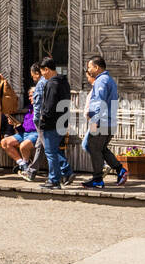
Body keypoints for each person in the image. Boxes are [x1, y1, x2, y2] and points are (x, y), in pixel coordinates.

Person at [83, 55, 125, 189]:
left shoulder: (101, 81)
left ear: (96, 67)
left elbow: (98, 102)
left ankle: (97, 179)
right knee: (101, 148)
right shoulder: (110, 80)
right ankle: (120, 170)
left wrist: (94, 119)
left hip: (102, 121)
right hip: (110, 121)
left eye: (90, 67)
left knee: (93, 147)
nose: (88, 70)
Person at [37, 58, 74, 190]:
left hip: (51, 123)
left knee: (50, 152)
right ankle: (67, 172)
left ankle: (54, 180)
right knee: (55, 149)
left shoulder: (52, 83)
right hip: (62, 121)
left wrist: (44, 119)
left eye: (42, 72)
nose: (43, 75)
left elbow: (50, 105)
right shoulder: (64, 81)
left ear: (46, 69)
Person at [3, 69, 41, 180]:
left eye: (32, 95)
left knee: (24, 145)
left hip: (36, 134)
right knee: (5, 142)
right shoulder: (29, 109)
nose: (30, 98)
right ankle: (23, 164)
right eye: (29, 96)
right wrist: (16, 124)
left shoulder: (40, 108)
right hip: (25, 133)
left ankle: (25, 166)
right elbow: (23, 129)